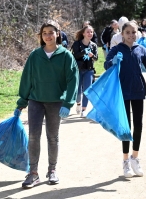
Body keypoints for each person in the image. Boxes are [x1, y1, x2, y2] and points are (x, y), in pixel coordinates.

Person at [104, 21, 146, 178]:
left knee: (138, 125)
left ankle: (135, 157)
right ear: (122, 34)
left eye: (133, 32)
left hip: (138, 91)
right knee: (125, 127)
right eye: (128, 32)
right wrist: (113, 62)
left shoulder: (141, 50)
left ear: (138, 33)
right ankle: (125, 161)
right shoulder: (116, 50)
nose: (131, 35)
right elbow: (106, 65)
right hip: (122, 92)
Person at [15, 20, 79, 188]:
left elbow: (73, 80)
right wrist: (22, 100)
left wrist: (68, 103)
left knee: (52, 137)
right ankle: (33, 173)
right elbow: (27, 78)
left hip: (56, 103)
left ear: (57, 34)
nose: (48, 36)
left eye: (51, 32)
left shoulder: (66, 56)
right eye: (45, 33)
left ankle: (52, 170)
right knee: (34, 137)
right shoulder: (35, 55)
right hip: (36, 101)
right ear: (41, 36)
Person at [72, 25, 98, 117]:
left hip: (89, 70)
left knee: (87, 90)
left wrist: (92, 56)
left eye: (91, 32)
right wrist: (84, 52)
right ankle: (78, 103)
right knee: (78, 91)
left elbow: (96, 58)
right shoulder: (77, 44)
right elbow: (75, 56)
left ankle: (84, 110)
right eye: (88, 32)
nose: (90, 33)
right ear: (83, 33)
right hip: (78, 70)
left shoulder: (94, 45)